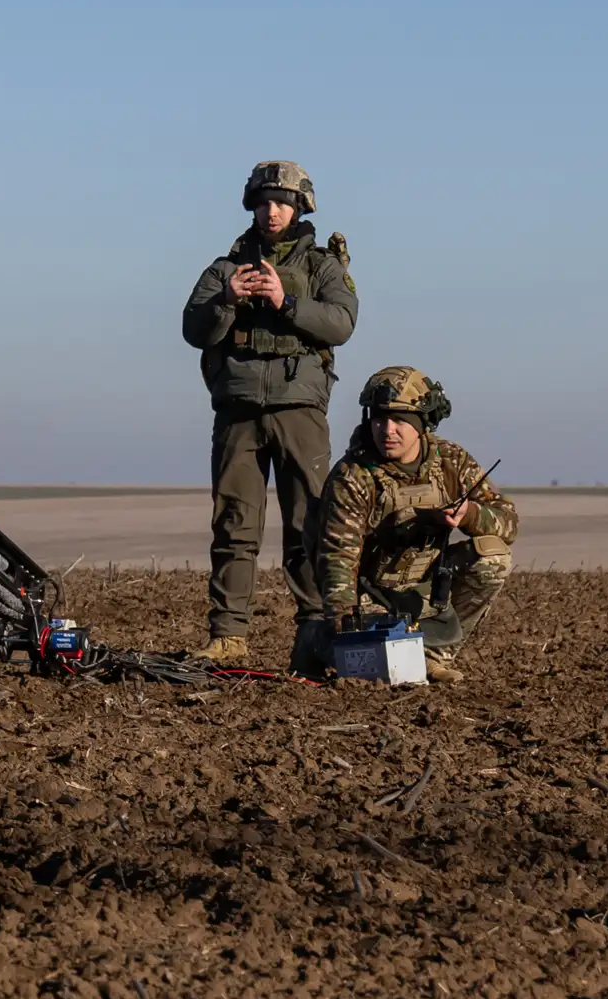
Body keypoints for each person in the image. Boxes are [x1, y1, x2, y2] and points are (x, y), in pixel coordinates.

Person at [181, 160, 357, 670]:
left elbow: (341, 323)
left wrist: (285, 301)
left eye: (281, 202)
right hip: (237, 407)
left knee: (309, 522)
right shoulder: (225, 267)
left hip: (299, 406)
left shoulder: (324, 266)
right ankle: (228, 635)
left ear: (299, 206)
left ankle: (316, 632)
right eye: (263, 202)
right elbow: (194, 328)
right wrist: (228, 302)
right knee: (234, 523)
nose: (271, 211)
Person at [315, 366, 517, 682]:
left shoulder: (452, 461)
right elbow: (338, 559)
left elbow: (508, 522)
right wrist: (344, 627)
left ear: (421, 425)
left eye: (399, 420)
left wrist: (470, 514)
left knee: (493, 555)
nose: (387, 430)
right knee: (380, 670)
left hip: (428, 586)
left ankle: (435, 657)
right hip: (372, 596)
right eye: (380, 419)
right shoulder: (353, 476)